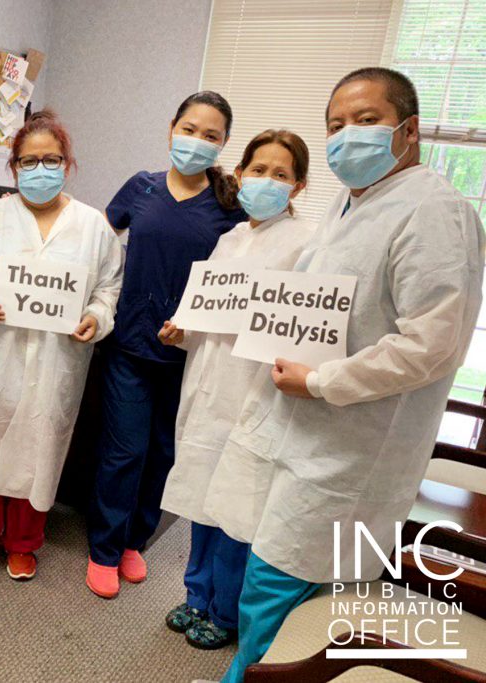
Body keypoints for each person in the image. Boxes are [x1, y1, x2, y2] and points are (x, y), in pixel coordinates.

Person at [204, 68, 484, 683]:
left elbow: (433, 345)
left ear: (408, 130)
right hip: (306, 435)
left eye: (364, 121)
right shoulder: (350, 203)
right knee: (283, 592)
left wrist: (323, 382)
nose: (345, 136)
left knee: (285, 595)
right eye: (334, 125)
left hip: (353, 452)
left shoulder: (435, 210)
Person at [156, 130, 316, 650]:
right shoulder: (229, 239)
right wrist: (180, 328)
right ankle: (194, 595)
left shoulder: (305, 245)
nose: (266, 181)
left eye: (280, 174)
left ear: (299, 186)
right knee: (200, 495)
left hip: (255, 394)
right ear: (240, 175)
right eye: (257, 169)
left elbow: (303, 326)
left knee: (237, 506)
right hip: (207, 382)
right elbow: (205, 311)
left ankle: (224, 610)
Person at [0, 110, 123, 581]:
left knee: (40, 441)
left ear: (68, 164)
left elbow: (109, 288)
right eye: (29, 161)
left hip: (56, 360)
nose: (40, 169)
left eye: (51, 159)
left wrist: (95, 316)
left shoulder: (93, 227)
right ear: (13, 168)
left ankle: (25, 541)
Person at [87, 91, 247, 599]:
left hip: (190, 356)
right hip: (131, 347)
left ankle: (136, 540)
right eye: (190, 129)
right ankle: (104, 550)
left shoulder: (229, 207)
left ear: (223, 144)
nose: (197, 142)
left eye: (211, 136)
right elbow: (93, 241)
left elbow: (242, 278)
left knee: (163, 454)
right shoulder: (141, 188)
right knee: (123, 451)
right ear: (171, 128)